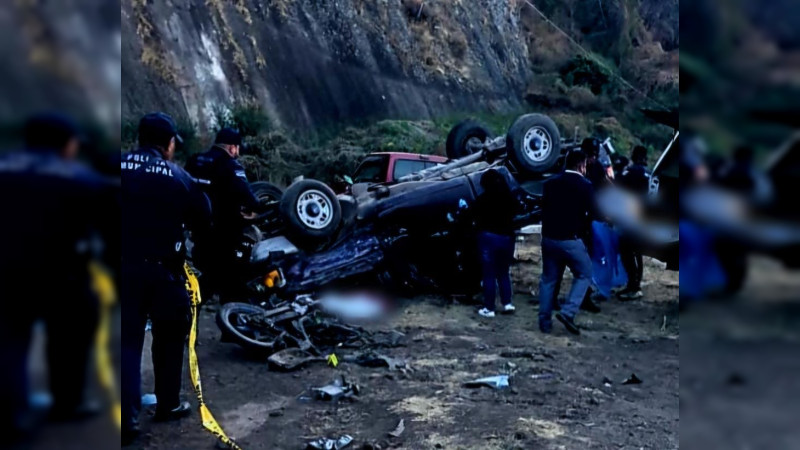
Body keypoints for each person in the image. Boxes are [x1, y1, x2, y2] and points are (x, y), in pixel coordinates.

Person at [0, 114, 114, 443]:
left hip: (7, 275)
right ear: (66, 143)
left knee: (9, 343)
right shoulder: (81, 178)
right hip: (63, 276)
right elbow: (108, 228)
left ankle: (12, 415)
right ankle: (68, 403)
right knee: (71, 338)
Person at [121, 112, 211, 445]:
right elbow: (204, 216)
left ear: (139, 139)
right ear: (168, 144)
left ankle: (124, 416)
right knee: (170, 335)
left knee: (125, 342)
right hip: (163, 271)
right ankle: (168, 404)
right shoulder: (178, 176)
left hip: (121, 269)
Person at [185, 128, 260, 303]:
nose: (238, 152)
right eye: (238, 148)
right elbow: (247, 195)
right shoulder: (230, 165)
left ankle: (189, 311)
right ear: (232, 148)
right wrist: (257, 207)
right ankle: (232, 325)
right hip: (224, 234)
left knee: (211, 275)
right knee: (232, 284)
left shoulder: (195, 161)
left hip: (198, 233)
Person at [538, 149, 599, 335]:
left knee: (548, 279)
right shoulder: (585, 186)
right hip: (571, 240)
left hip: (548, 238)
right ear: (582, 165)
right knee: (584, 273)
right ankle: (568, 311)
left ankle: (544, 322)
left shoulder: (550, 183)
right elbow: (593, 212)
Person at [473, 169, 517, 318]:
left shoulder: (482, 199)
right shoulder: (509, 198)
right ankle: (507, 303)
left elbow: (474, 217)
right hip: (507, 238)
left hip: (488, 238)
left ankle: (489, 308)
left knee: (489, 274)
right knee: (503, 272)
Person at [617, 145, 650, 299]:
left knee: (626, 251)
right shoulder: (649, 174)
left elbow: (618, 184)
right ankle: (636, 285)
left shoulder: (630, 171)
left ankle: (633, 287)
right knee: (637, 252)